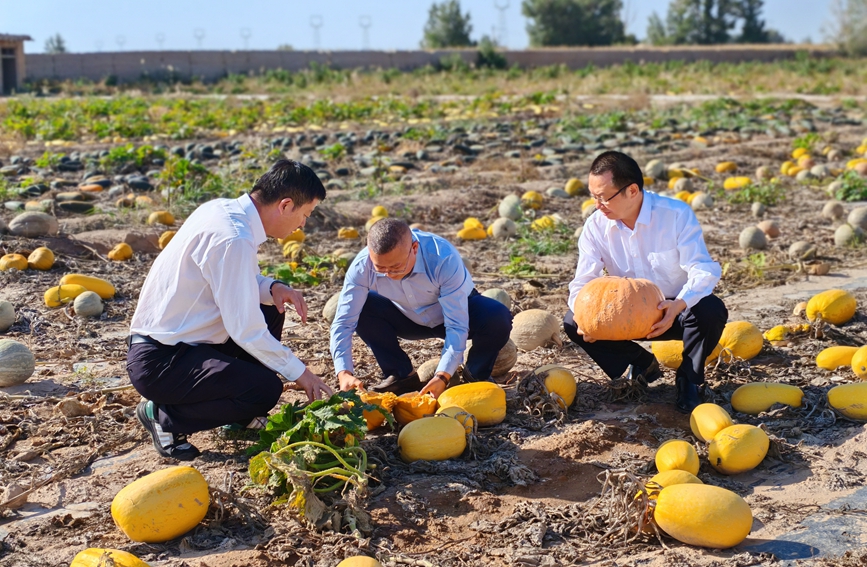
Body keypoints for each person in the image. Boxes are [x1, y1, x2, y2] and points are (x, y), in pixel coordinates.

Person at [127, 159, 333, 461]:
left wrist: (274, 287)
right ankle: (163, 416)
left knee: (271, 307)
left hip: (185, 343)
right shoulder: (233, 239)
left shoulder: (224, 211)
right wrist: (302, 374)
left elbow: (236, 283)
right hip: (162, 362)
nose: (302, 224)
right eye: (304, 215)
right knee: (264, 390)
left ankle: (237, 413)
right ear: (285, 205)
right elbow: (245, 330)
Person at [564, 150, 727, 413]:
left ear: (632, 191)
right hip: (624, 313)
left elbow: (702, 269)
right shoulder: (595, 226)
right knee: (573, 321)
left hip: (672, 311)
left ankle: (689, 377)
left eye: (604, 197)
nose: (597, 205)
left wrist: (679, 305)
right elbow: (582, 281)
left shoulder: (675, 215)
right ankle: (639, 363)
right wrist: (585, 315)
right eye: (593, 197)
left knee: (711, 310)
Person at [330, 218, 513, 398]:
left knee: (497, 317)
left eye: (395, 267)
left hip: (453, 312)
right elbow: (344, 322)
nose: (388, 274)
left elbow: (456, 324)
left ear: (414, 248)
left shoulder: (442, 258)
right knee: (364, 306)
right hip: (405, 316)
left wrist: (443, 375)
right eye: (380, 268)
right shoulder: (362, 266)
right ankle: (401, 376)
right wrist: (343, 372)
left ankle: (476, 375)